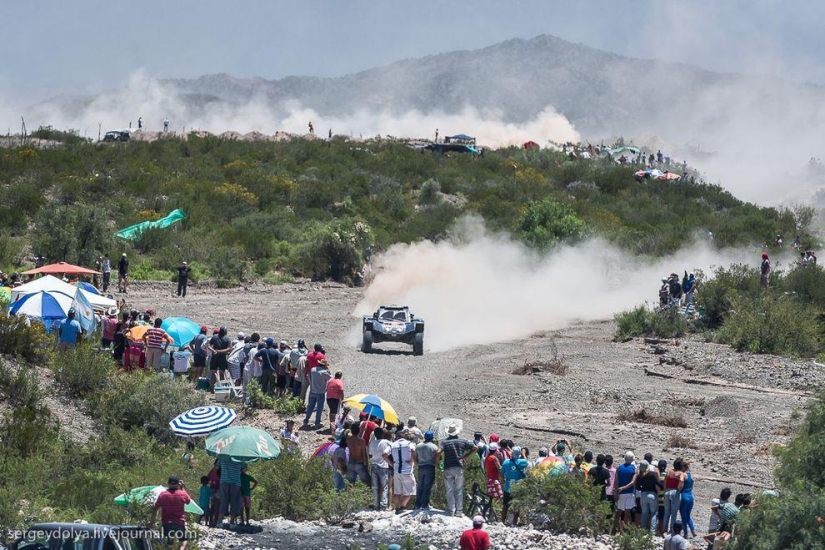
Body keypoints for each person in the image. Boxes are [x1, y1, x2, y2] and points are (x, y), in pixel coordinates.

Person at [437, 424, 476, 517]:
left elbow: (438, 452)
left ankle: (451, 510)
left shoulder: (444, 442)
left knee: (449, 490)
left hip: (448, 467)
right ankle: (459, 511)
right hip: (459, 467)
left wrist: (438, 462)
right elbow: (475, 447)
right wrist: (466, 456)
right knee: (458, 490)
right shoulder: (463, 441)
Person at [150, 475, 191, 549]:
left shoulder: (163, 495)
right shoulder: (182, 494)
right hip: (179, 522)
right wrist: (182, 488)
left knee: (169, 544)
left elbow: (155, 508)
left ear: (168, 483)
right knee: (184, 540)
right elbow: (188, 501)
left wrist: (151, 522)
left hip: (167, 522)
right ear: (178, 483)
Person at [501, 446, 530, 525]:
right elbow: (528, 464)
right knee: (517, 505)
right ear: (519, 453)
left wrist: (502, 482)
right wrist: (523, 454)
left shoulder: (506, 462)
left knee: (505, 506)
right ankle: (514, 522)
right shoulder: (522, 462)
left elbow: (501, 473)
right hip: (518, 487)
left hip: (507, 487)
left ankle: (502, 521)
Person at [390, 428, 417, 514]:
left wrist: (391, 463)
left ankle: (397, 508)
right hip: (407, 471)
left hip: (397, 471)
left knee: (397, 492)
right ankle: (402, 506)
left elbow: (384, 454)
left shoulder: (393, 444)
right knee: (408, 492)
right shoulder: (409, 444)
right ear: (404, 436)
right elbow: (413, 451)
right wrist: (411, 461)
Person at [303, 358, 332, 428]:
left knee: (310, 406)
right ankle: (317, 422)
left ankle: (306, 420)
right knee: (319, 408)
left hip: (312, 391)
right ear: (324, 366)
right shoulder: (324, 372)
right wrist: (329, 372)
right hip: (320, 392)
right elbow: (331, 379)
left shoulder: (313, 370)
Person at [613, 452, 637, 532]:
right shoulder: (633, 468)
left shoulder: (619, 468)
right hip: (629, 492)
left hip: (620, 493)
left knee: (619, 511)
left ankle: (613, 528)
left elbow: (616, 481)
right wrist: (624, 488)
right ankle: (622, 530)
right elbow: (633, 482)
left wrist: (616, 491)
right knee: (627, 512)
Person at [414, 430, 438, 510]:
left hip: (421, 466)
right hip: (430, 466)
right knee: (427, 486)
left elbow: (415, 457)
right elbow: (438, 457)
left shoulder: (418, 446)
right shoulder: (434, 447)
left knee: (420, 486)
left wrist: (417, 463)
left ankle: (417, 504)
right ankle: (424, 504)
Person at [369, 427, 392, 510]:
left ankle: (376, 504)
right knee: (384, 486)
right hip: (383, 466)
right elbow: (392, 449)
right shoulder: (386, 442)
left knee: (375, 486)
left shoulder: (372, 443)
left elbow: (370, 454)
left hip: (374, 465)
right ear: (383, 434)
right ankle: (383, 504)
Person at [217, 455, 243, 527]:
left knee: (224, 502)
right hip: (236, 482)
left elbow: (216, 467)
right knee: (234, 502)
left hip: (224, 481)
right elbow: (243, 469)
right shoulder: (240, 458)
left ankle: (220, 521)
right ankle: (232, 522)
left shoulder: (222, 457)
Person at [635, 460, 659, 533]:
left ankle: (642, 530)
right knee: (653, 513)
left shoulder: (639, 476)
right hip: (652, 494)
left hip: (643, 495)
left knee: (644, 513)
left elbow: (638, 487)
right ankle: (652, 531)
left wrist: (643, 489)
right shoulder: (653, 474)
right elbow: (658, 483)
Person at [345, 422, 371, 487]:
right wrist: (367, 465)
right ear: (359, 430)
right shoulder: (361, 441)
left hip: (351, 463)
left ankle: (350, 496)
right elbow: (364, 454)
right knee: (368, 482)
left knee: (351, 483)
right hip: (359, 463)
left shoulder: (348, 440)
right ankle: (367, 496)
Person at [663, 458, 685, 533]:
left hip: (667, 491)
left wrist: (665, 490)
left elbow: (665, 481)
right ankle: (671, 529)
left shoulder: (669, 471)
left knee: (666, 512)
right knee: (674, 513)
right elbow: (681, 480)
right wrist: (679, 487)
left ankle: (664, 529)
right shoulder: (680, 473)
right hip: (675, 492)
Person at [679, 461, 696, 537]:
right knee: (688, 516)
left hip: (684, 496)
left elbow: (681, 487)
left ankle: (685, 533)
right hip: (690, 496)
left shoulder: (683, 475)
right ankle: (693, 530)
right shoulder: (691, 476)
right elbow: (692, 486)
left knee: (683, 516)